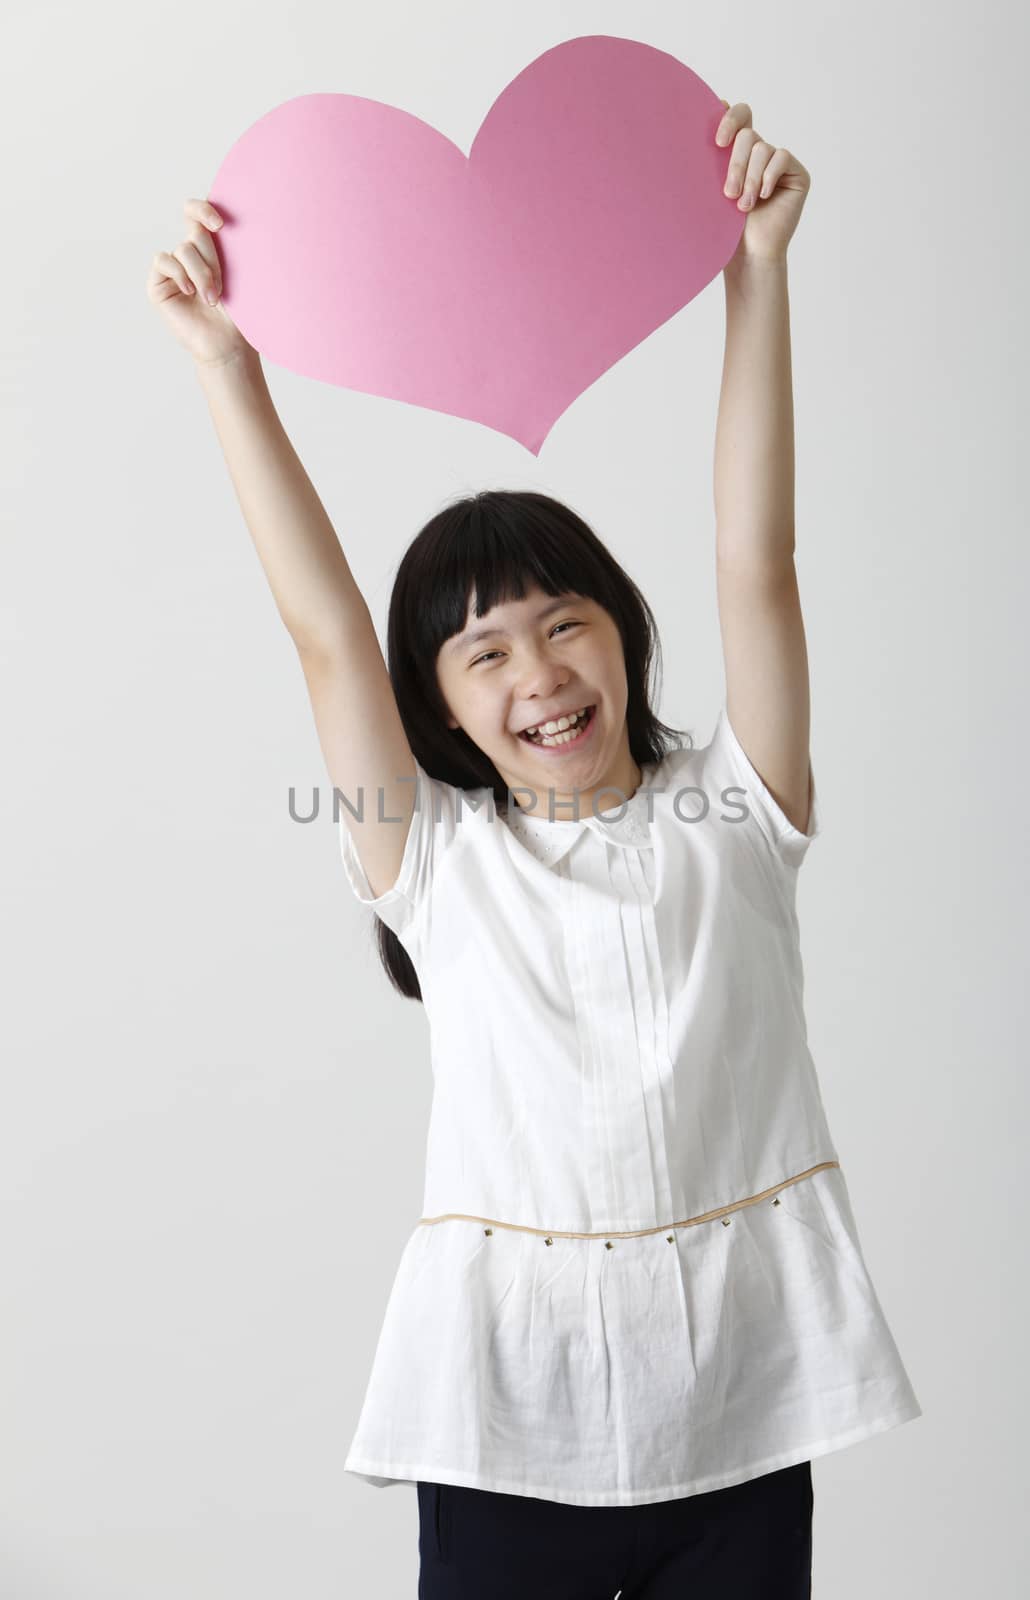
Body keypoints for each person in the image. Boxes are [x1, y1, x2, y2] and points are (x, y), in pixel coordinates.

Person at [148, 95, 921, 1598]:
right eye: (481, 654)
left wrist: (754, 275)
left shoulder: (739, 812)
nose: (537, 674)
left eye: (562, 624)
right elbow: (323, 639)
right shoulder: (431, 862)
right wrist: (229, 371)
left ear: (622, 636)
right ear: (436, 710)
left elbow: (752, 557)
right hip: (508, 1425)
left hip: (746, 1413)